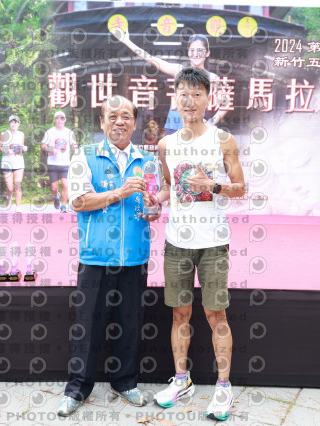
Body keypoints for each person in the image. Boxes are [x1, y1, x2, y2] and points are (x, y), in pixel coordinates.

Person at [146, 67, 245, 421]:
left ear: (208, 99)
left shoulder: (223, 140)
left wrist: (212, 186)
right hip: (177, 243)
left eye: (197, 94)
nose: (190, 101)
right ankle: (182, 380)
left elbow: (240, 188)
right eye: (184, 94)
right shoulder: (166, 145)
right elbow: (169, 187)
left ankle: (223, 387)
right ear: (175, 98)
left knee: (216, 314)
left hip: (213, 242)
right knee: (180, 313)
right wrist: (156, 202)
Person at [57, 95, 161, 417]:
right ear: (102, 123)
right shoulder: (85, 156)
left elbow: (153, 202)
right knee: (88, 325)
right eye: (112, 116)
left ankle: (124, 382)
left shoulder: (147, 160)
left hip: (134, 256)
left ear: (135, 122)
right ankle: (77, 389)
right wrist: (118, 193)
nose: (119, 121)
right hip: (96, 257)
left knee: (130, 324)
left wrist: (154, 210)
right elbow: (77, 202)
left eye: (126, 116)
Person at [114, 32, 228, 134]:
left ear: (207, 53)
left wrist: (210, 123)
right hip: (173, 128)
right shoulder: (179, 70)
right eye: (192, 50)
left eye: (200, 50)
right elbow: (151, 59)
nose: (196, 54)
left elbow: (225, 105)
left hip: (196, 130)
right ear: (188, 52)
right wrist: (127, 41)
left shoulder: (212, 78)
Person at [41, 111, 77, 213]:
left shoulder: (69, 132)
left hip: (65, 163)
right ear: (54, 120)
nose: (59, 120)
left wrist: (76, 150)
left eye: (62, 118)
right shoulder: (49, 132)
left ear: (65, 120)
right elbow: (43, 145)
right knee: (54, 187)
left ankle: (64, 205)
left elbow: (74, 145)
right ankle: (56, 197)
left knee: (65, 184)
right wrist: (50, 149)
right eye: (57, 118)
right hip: (53, 163)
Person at [0, 115, 28, 212]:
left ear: (19, 124)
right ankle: (9, 198)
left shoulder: (21, 134)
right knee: (10, 187)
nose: (14, 124)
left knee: (18, 185)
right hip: (7, 163)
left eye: (16, 122)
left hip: (19, 163)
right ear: (9, 123)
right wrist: (6, 150)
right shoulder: (4, 134)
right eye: (12, 122)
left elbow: (21, 146)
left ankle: (18, 207)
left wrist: (24, 148)